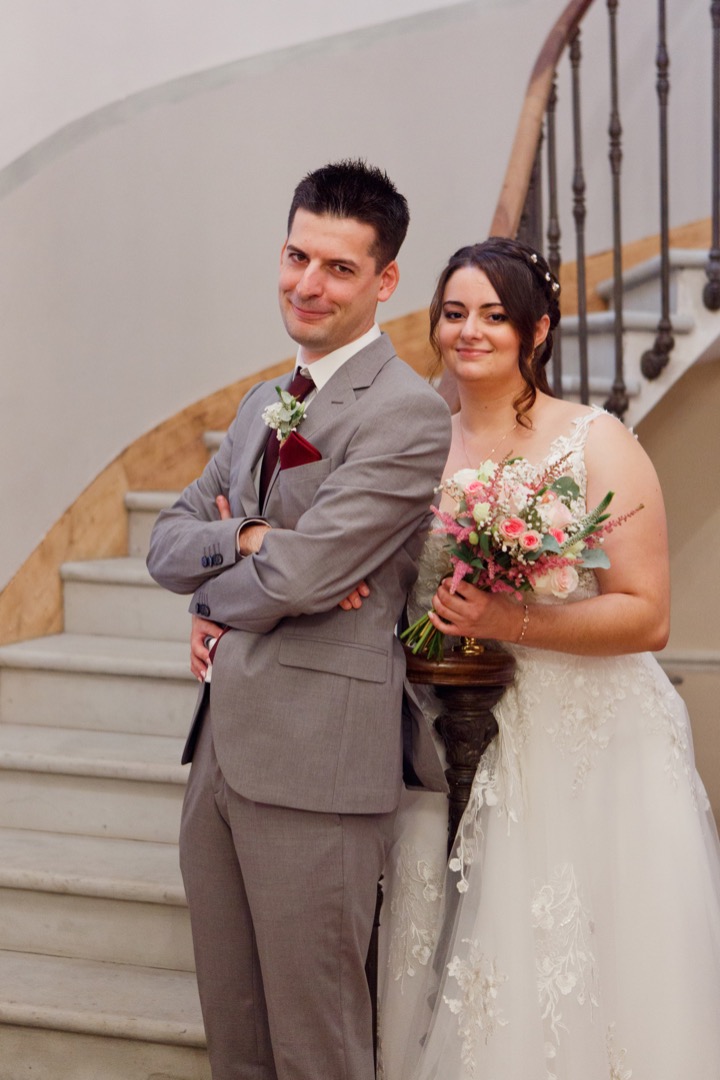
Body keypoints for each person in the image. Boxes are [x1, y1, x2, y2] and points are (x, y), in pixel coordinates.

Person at [377, 237, 720, 1080]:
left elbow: (648, 617)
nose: (470, 331)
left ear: (537, 331)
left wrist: (509, 615)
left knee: (591, 964)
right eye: (454, 313)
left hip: (589, 738)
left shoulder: (596, 441)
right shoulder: (422, 444)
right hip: (448, 726)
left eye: (494, 315)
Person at [146, 159, 452, 1080]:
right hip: (220, 759)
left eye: (338, 268)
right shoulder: (259, 403)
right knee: (234, 1039)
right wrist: (243, 546)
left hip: (319, 767)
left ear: (384, 282)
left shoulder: (406, 413)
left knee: (317, 1047)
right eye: (295, 255)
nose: (307, 284)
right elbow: (165, 545)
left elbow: (310, 573)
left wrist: (246, 572)